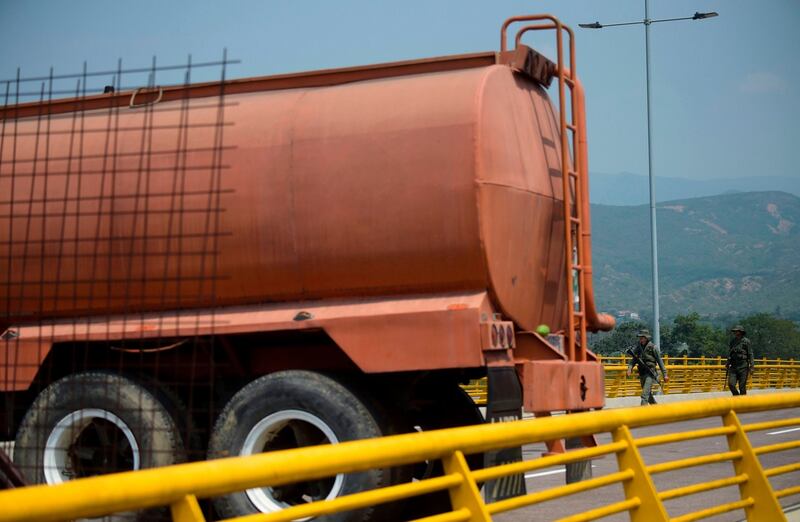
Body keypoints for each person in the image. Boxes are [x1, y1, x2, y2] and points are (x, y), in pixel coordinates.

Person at [627, 329, 668, 405]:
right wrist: (630, 368)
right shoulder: (638, 348)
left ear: (646, 338)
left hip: (650, 373)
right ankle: (656, 407)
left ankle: (643, 412)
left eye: (642, 337)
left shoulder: (653, 347)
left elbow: (660, 361)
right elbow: (634, 359)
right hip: (642, 373)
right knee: (648, 394)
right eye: (640, 337)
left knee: (644, 394)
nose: (640, 339)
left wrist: (665, 374)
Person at [726, 325, 754, 395]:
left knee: (742, 386)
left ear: (741, 332)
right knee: (731, 384)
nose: (735, 332)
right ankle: (737, 398)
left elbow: (750, 354)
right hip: (734, 366)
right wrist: (727, 362)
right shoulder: (733, 341)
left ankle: (743, 402)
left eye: (736, 331)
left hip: (743, 367)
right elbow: (730, 353)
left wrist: (752, 366)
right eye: (734, 331)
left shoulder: (746, 341)